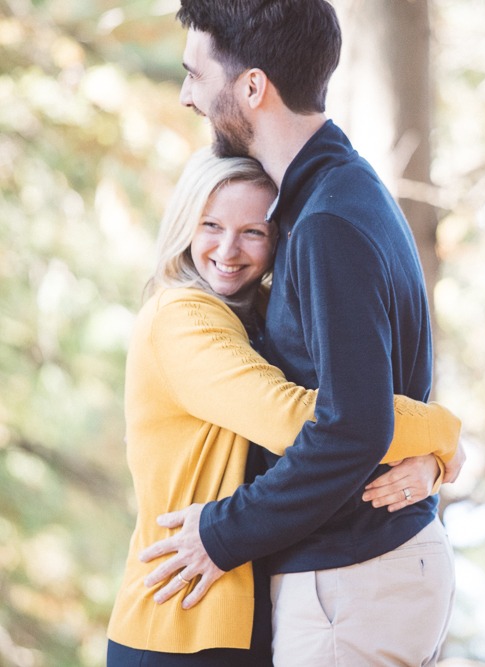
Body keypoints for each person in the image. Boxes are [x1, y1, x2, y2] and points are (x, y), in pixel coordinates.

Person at [138, 1, 461, 664]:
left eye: (196, 75)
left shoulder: (325, 224)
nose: (186, 96)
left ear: (252, 87)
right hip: (367, 576)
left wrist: (223, 532)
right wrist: (440, 446)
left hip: (352, 579)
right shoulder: (345, 195)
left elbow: (351, 425)